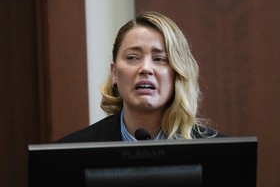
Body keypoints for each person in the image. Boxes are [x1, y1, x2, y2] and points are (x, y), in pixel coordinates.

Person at [55, 11, 224, 143]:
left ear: (177, 74)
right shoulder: (69, 154)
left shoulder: (220, 153)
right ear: (114, 73)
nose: (145, 68)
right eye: (132, 58)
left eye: (159, 59)